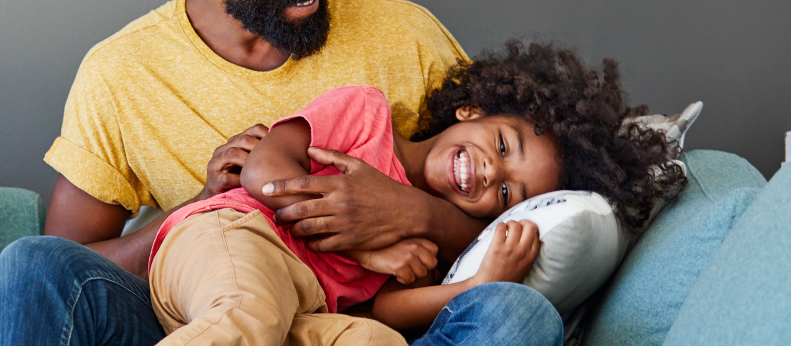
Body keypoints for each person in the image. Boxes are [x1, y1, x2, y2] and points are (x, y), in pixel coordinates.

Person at [0, 0, 562, 344]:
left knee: (516, 317)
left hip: (345, 319)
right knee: (33, 264)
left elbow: (508, 195)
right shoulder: (120, 74)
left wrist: (417, 214)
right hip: (206, 316)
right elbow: (77, 271)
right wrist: (201, 205)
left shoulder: (404, 34)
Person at [147, 43, 686, 344]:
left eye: (505, 193)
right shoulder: (366, 115)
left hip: (305, 308)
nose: (485, 171)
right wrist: (364, 246)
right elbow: (262, 169)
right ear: (471, 108)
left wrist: (477, 284)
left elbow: (385, 312)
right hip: (235, 237)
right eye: (501, 143)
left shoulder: (431, 239)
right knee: (250, 308)